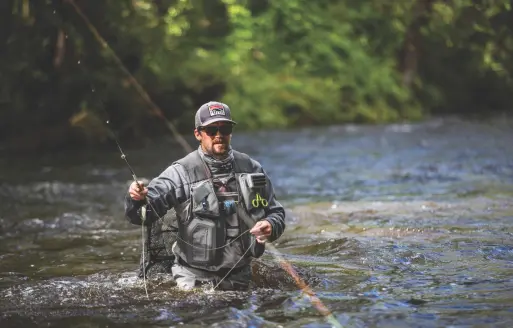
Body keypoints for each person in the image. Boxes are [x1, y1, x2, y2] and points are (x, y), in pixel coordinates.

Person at [124, 101, 286, 291]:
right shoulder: (180, 172)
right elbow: (142, 215)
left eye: (224, 129)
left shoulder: (252, 168)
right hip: (192, 279)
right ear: (198, 134)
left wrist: (270, 226)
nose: (219, 135)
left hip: (242, 276)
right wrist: (137, 198)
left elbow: (276, 213)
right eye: (211, 130)